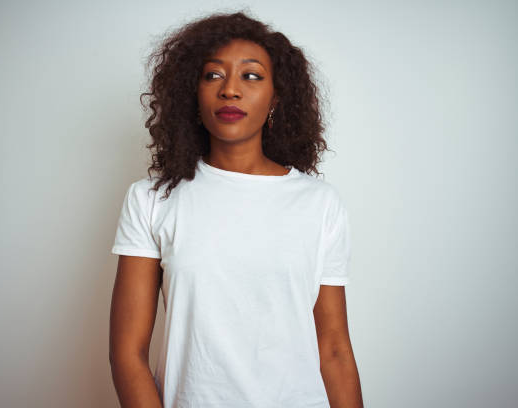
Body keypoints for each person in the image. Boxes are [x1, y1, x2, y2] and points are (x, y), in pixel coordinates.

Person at [108, 10, 363, 408]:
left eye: (251, 75)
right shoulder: (152, 199)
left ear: (276, 96)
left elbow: (333, 349)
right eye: (213, 75)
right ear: (191, 93)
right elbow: (127, 352)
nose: (230, 90)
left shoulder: (319, 203)